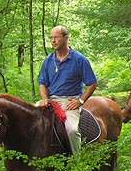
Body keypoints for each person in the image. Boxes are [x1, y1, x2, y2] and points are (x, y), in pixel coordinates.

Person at [37, 26, 98, 155]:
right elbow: (42, 83)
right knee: (29, 122)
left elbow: (92, 83)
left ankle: (76, 166)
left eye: (56, 37)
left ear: (66, 38)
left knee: (71, 130)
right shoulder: (48, 61)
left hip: (69, 102)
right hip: (50, 100)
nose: (53, 41)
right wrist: (44, 98)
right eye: (51, 38)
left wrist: (80, 100)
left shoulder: (79, 59)